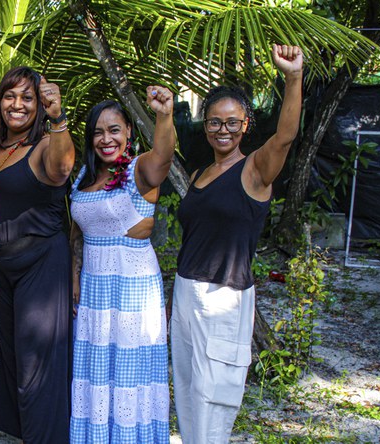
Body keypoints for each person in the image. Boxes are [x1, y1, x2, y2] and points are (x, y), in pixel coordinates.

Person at [171, 44, 303, 442]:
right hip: (186, 292)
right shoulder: (199, 174)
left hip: (225, 297)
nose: (222, 130)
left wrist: (293, 77)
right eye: (214, 122)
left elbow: (285, 136)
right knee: (189, 394)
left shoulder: (255, 169)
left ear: (246, 124)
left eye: (231, 122)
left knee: (216, 397)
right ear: (205, 125)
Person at [0, 66, 76, 443]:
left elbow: (62, 170)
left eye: (27, 98)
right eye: (10, 96)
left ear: (38, 105)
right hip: (2, 267)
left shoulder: (45, 144)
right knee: (14, 360)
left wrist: (57, 116)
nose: (17, 105)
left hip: (41, 264)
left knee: (37, 365)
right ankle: (26, 434)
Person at [69, 89, 176, 443]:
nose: (106, 139)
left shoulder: (138, 170)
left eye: (114, 130)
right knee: (97, 372)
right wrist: (73, 277)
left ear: (129, 131)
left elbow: (163, 157)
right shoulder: (84, 174)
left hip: (131, 289)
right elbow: (76, 236)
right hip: (94, 289)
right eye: (98, 132)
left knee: (129, 376)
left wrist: (163, 115)